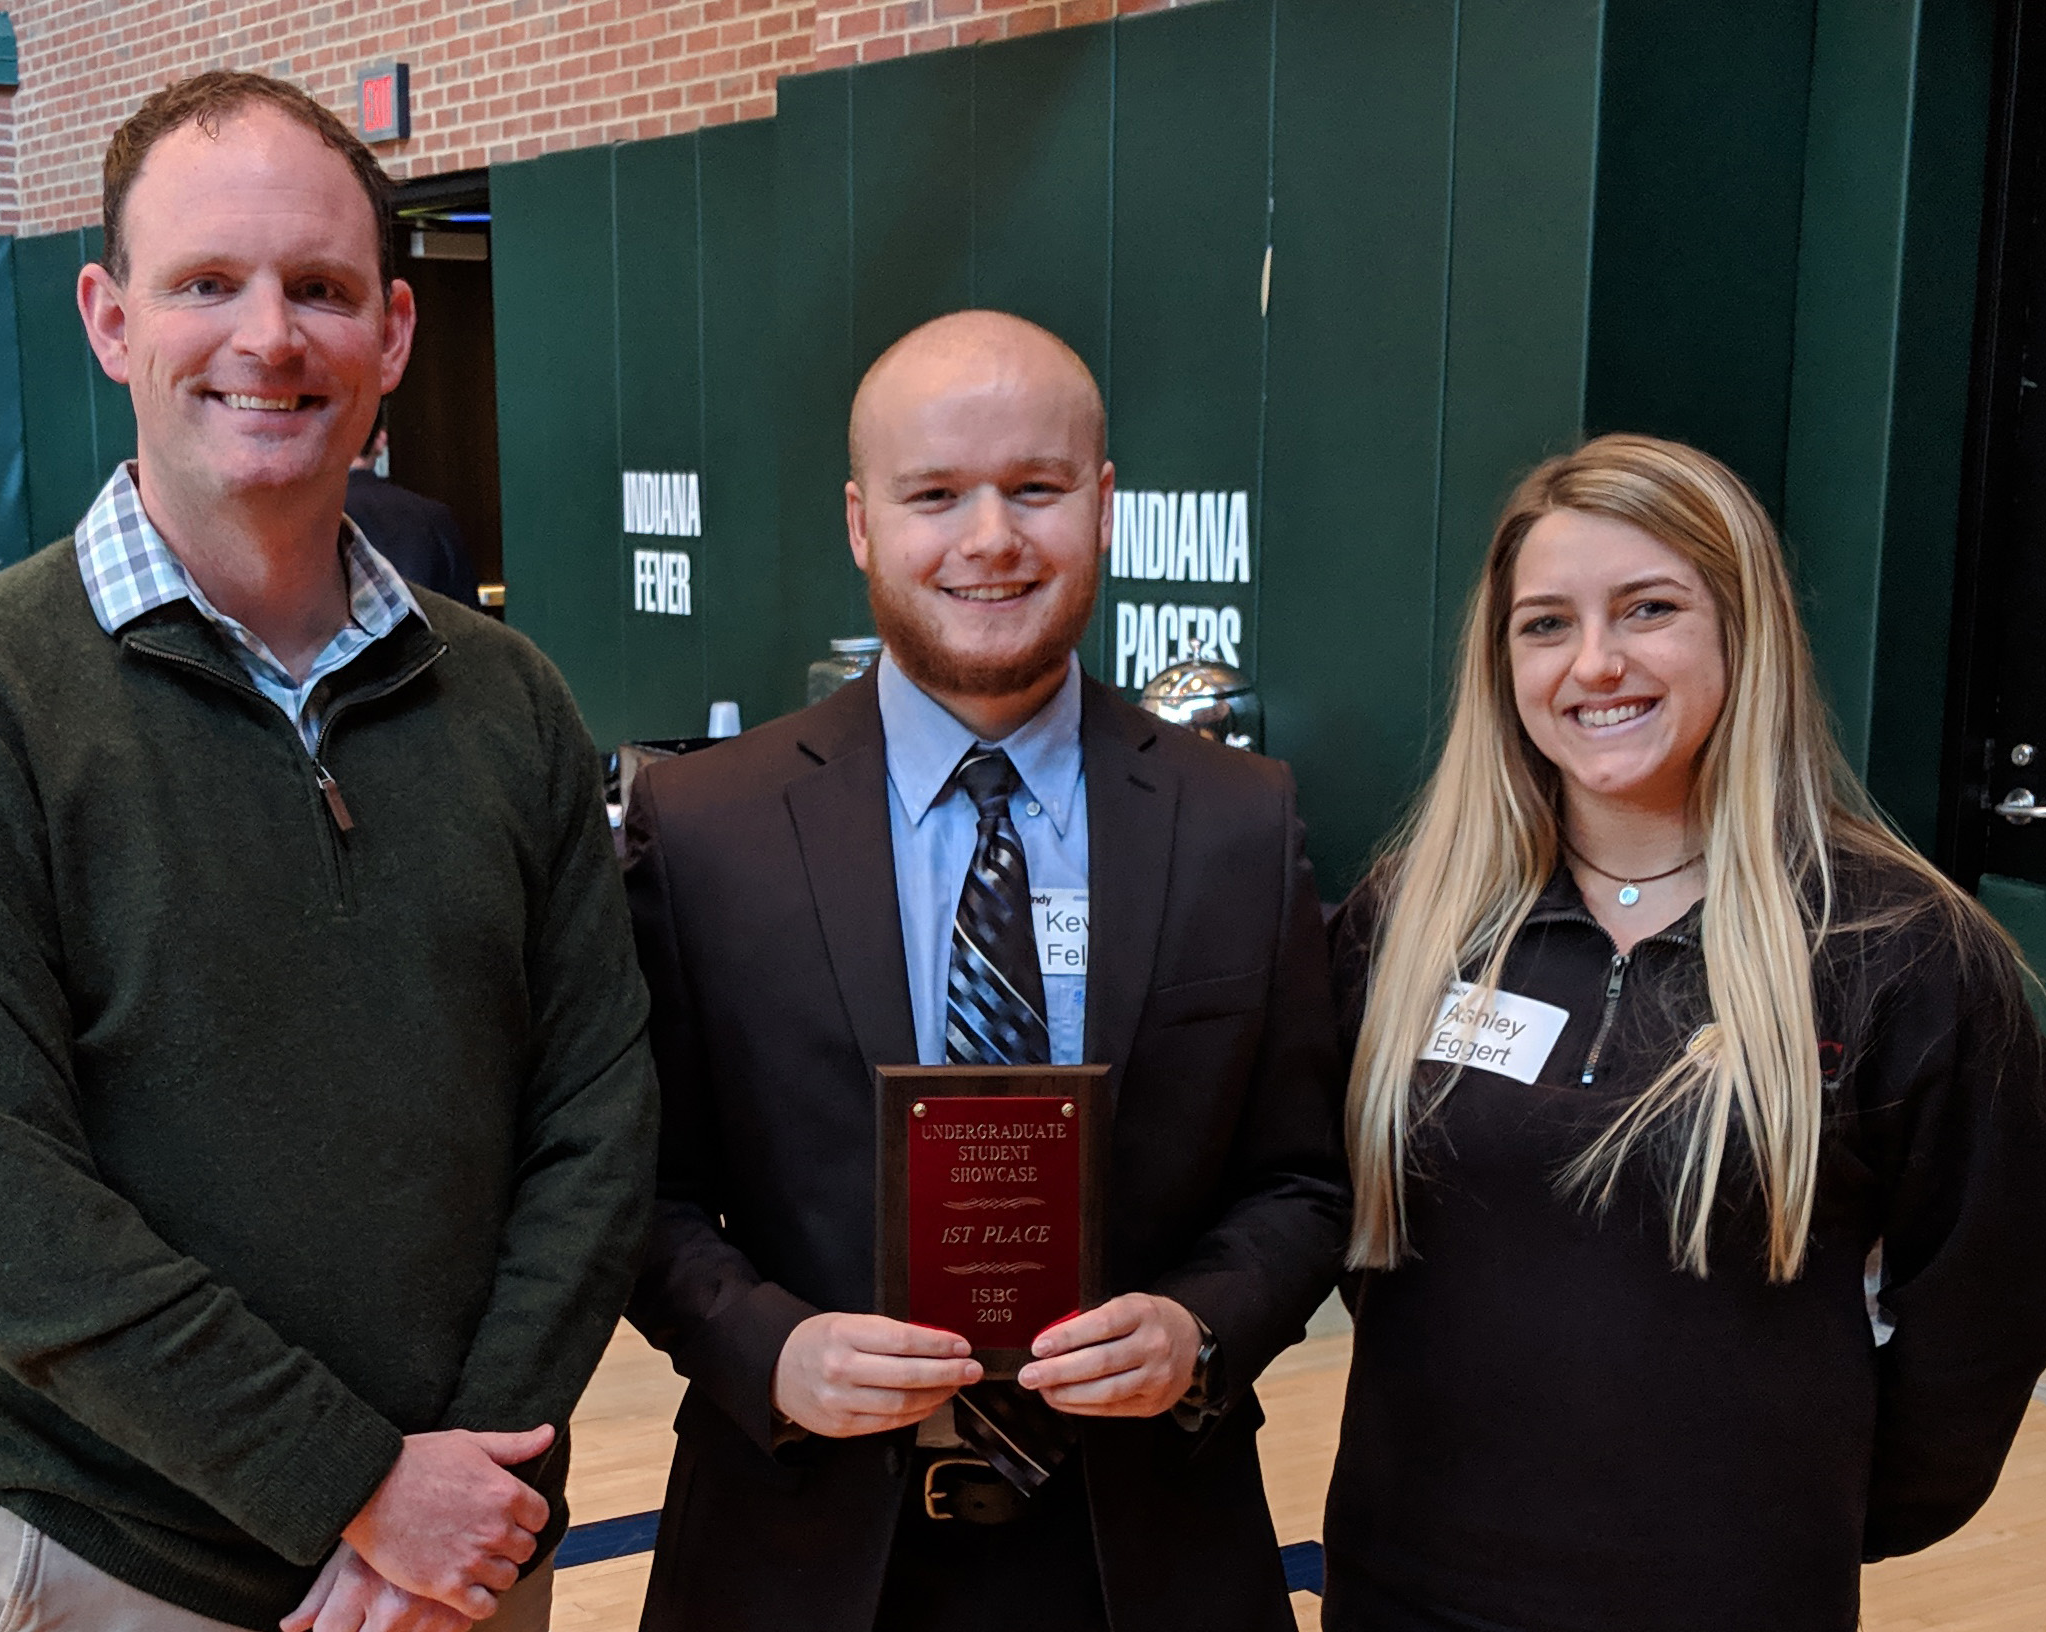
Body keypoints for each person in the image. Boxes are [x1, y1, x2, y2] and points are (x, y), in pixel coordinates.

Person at [0, 71, 657, 1632]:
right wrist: (356, 1483)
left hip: (459, 1559)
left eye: (321, 289)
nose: (268, 338)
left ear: (393, 336)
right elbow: (13, 1227)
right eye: (206, 283)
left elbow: (596, 1121)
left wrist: (467, 1490)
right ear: (110, 319)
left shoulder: (507, 697)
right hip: (96, 1571)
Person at [621, 309, 1349, 1632]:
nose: (989, 538)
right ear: (859, 522)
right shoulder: (705, 826)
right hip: (799, 1546)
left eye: (1035, 488)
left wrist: (1197, 1331)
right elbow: (638, 1192)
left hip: (1144, 1548)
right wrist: (764, 1346)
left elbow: (1300, 1179)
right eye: (934, 495)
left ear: (1105, 504)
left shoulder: (1240, 818)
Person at [1323, 433, 2046, 1632]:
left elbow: (1977, 1320)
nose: (1594, 664)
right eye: (1545, 624)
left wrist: (1798, 1511)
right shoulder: (1406, 922)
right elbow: (1342, 1229)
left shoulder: (1903, 949)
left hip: (1734, 1589)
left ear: (1741, 631)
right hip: (1408, 1580)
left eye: (1649, 609)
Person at [346, 415, 480, 607]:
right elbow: (467, 614)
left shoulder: (308, 518)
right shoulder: (434, 516)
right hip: (424, 630)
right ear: (381, 440)